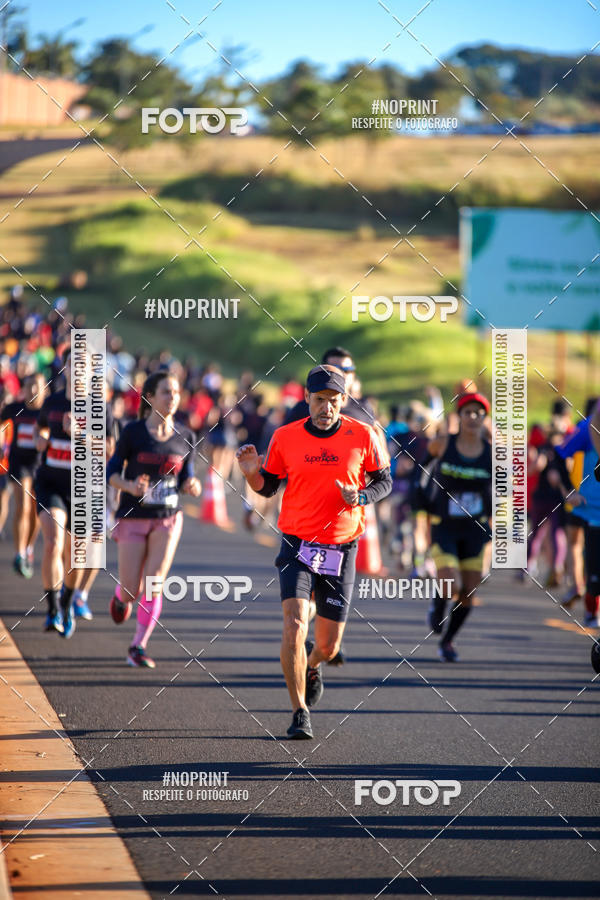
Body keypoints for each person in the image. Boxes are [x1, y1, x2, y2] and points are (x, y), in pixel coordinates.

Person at [236, 365, 391, 740]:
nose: (327, 408)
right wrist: (250, 473)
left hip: (342, 546)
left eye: (333, 401)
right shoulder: (285, 437)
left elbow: (385, 480)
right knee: (293, 623)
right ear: (307, 399)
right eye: (319, 400)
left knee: (328, 644)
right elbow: (268, 487)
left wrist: (362, 496)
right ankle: (299, 712)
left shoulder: (362, 435)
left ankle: (314, 662)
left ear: (343, 401)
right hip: (298, 543)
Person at [107, 371, 201, 668]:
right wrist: (131, 487)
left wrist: (192, 486)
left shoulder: (186, 436)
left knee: (154, 582)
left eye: (175, 392)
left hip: (167, 519)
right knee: (132, 588)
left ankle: (138, 645)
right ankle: (121, 598)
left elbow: (189, 477)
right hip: (133, 517)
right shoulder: (132, 432)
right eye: (166, 392)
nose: (173, 397)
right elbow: (112, 473)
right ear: (149, 397)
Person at [422, 392, 492, 662]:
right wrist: (420, 498)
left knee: (468, 592)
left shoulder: (491, 453)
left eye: (479, 413)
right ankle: (438, 604)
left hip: (475, 529)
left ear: (484, 419)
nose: (473, 417)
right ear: (459, 416)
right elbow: (421, 468)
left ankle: (448, 641)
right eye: (468, 412)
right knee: (450, 581)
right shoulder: (443, 444)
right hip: (445, 525)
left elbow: (504, 491)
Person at [33, 351, 83, 636]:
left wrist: (81, 435)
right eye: (72, 364)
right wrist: (42, 439)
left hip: (81, 488)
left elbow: (111, 452)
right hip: (51, 482)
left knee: (76, 553)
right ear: (64, 368)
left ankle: (67, 601)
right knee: (52, 541)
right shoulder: (51, 402)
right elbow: (41, 428)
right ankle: (52, 610)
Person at [1, 371, 47, 577]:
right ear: (24, 389)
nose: (34, 390)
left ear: (44, 389)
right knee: (23, 505)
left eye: (37, 386)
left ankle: (28, 548)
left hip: (41, 467)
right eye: (29, 386)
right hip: (20, 465)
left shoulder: (48, 412)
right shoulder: (15, 409)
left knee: (36, 511)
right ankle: (19, 552)